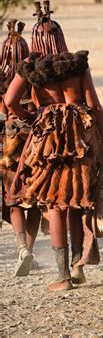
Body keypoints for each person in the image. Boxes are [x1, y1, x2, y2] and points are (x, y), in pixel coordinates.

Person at [4, 0, 103, 291]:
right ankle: (78, 263)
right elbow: (94, 106)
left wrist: (31, 116)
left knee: (55, 204)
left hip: (49, 141)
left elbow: (8, 102)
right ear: (61, 37)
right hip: (79, 137)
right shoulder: (77, 66)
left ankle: (63, 277)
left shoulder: (29, 68)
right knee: (77, 199)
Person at [0, 19, 42, 277]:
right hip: (36, 145)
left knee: (13, 200)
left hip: (8, 149)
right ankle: (30, 249)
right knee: (35, 200)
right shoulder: (37, 77)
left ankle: (22, 249)